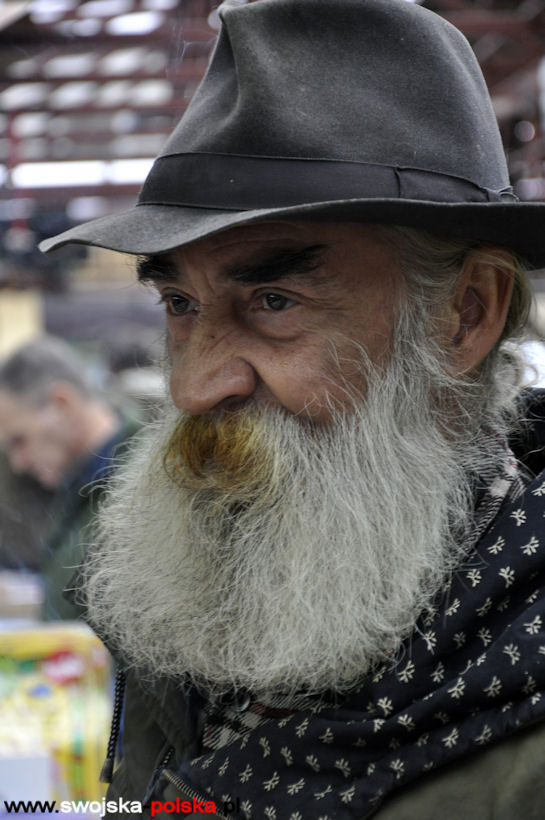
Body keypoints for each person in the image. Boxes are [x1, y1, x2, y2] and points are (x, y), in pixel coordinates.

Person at [41, 0, 545, 816]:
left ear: (463, 316)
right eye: (179, 304)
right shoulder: (199, 633)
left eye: (273, 301)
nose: (192, 387)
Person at [0, 336, 140, 619]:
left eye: (19, 440)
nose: (18, 463)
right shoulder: (83, 480)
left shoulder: (145, 483)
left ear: (61, 404)